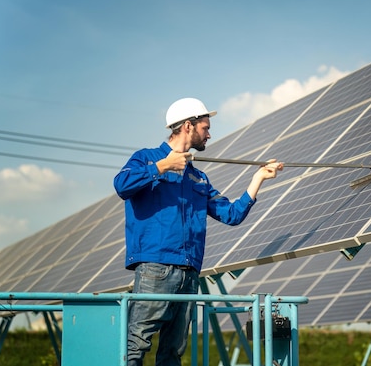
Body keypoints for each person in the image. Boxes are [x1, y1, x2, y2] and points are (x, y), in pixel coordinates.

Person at [113, 97, 283, 366]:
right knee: (135, 344)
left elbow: (231, 215)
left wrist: (258, 178)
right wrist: (163, 166)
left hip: (190, 273)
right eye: (206, 127)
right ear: (188, 126)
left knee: (173, 352)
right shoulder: (146, 158)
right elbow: (122, 185)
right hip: (156, 269)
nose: (209, 134)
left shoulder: (199, 178)